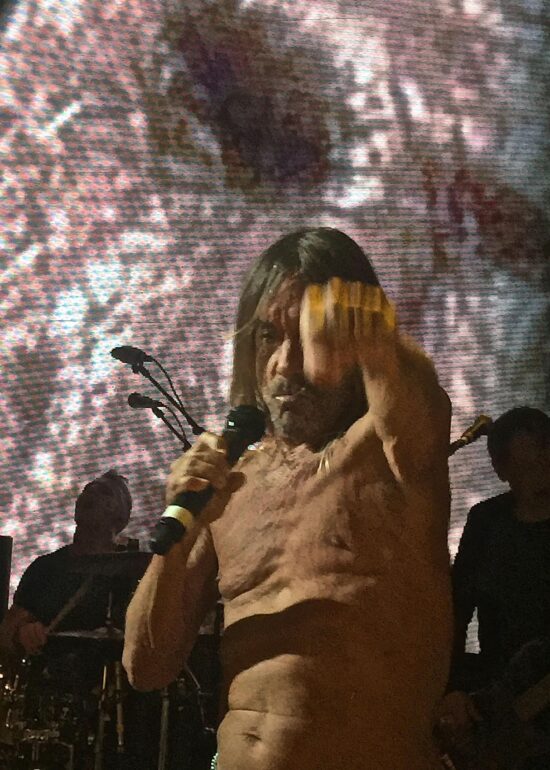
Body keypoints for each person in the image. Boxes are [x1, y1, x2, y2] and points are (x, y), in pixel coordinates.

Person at [123, 227, 453, 770]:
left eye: (309, 336)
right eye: (268, 337)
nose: (285, 364)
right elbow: (146, 667)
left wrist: (376, 338)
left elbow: (417, 408)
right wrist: (176, 536)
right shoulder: (231, 485)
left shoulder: (389, 450)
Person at [440, 407, 550, 769]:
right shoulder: (486, 522)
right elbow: (457, 611)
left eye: (545, 457)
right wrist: (453, 688)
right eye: (527, 466)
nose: (541, 472)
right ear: (503, 471)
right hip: (498, 691)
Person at [0, 469, 133, 657]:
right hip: (49, 671)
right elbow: (6, 634)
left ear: (121, 516)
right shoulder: (45, 568)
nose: (92, 492)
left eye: (105, 491)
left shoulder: (133, 572)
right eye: (87, 489)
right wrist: (22, 632)